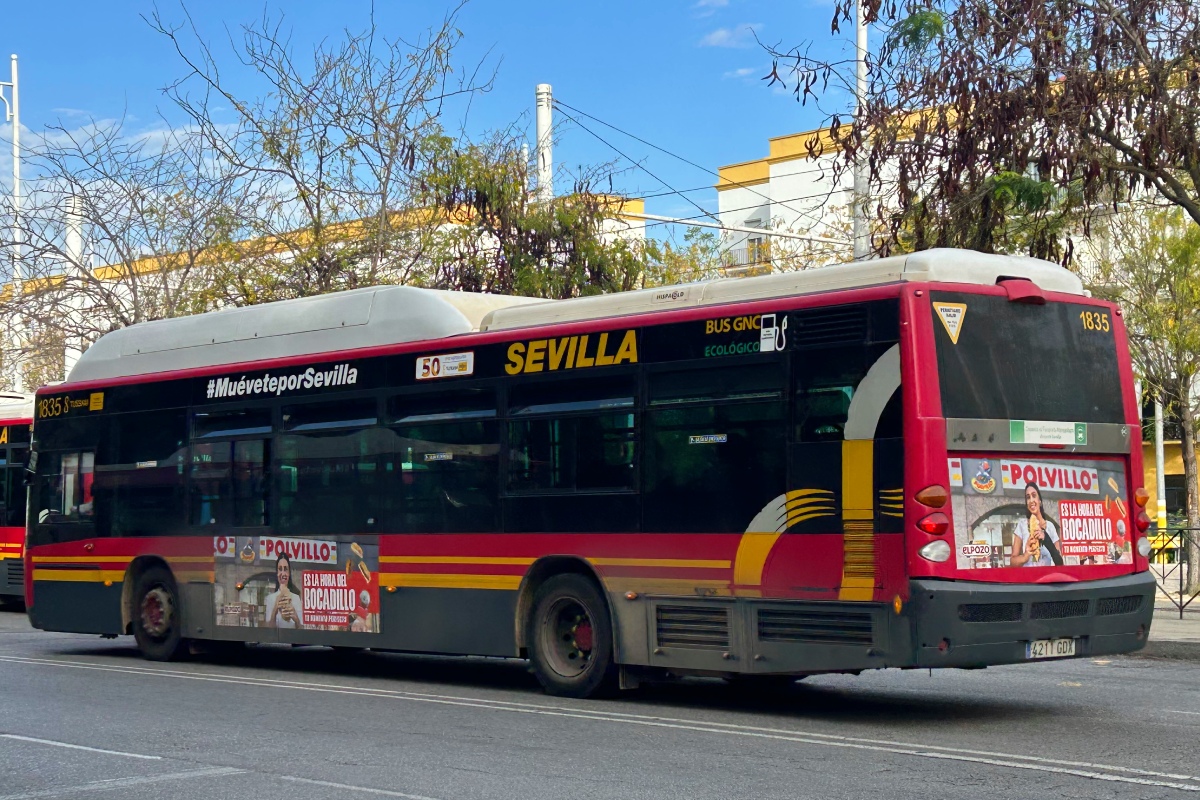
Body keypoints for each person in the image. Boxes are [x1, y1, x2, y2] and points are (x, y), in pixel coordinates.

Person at [1010, 482, 1064, 567]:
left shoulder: (1050, 526)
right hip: (1029, 578)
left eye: (1034, 495)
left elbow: (1059, 563)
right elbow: (1012, 562)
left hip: (1047, 578)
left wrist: (1046, 538)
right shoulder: (1022, 525)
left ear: (1040, 501)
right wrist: (1025, 556)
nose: (1031, 500)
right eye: (1028, 497)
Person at [265, 554, 304, 628]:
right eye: (280, 569)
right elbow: (269, 630)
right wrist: (275, 609)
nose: (283, 573)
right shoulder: (270, 599)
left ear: (289, 573)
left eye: (285, 569)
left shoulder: (296, 598)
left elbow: (301, 630)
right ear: (277, 573)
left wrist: (296, 618)